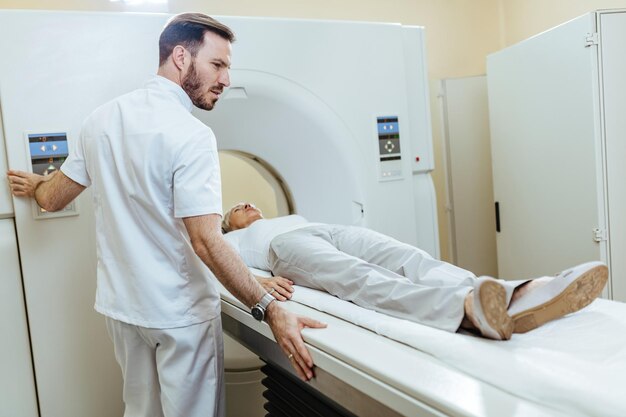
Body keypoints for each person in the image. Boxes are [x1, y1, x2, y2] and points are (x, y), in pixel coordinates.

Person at [6, 13, 325, 417]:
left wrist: (36, 186)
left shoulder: (101, 120)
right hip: (180, 315)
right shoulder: (191, 135)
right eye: (218, 64)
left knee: (140, 411)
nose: (226, 79)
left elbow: (53, 198)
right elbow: (205, 240)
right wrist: (270, 308)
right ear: (180, 56)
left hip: (124, 310)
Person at [222, 202, 609, 339]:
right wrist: (257, 281)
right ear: (230, 224)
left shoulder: (289, 215)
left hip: (325, 230)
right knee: (360, 275)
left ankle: (514, 292)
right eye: (236, 207)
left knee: (411, 258)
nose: (246, 204)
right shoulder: (233, 241)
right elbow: (217, 268)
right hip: (287, 250)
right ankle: (467, 312)